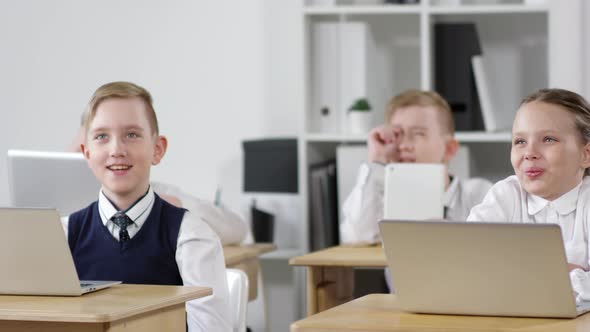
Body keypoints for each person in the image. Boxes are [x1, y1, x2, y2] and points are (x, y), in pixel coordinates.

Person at [63, 81, 231, 331]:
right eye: (101, 136)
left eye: (132, 134)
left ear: (157, 149)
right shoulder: (63, 235)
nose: (116, 149)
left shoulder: (192, 237)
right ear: (86, 154)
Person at [467, 88, 590, 302]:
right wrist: (563, 272)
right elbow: (466, 261)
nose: (529, 152)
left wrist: (517, 272)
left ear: (585, 155)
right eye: (520, 141)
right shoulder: (505, 195)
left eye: (549, 139)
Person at [69, 112, 248, 246]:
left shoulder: (153, 194)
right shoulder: (67, 209)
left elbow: (236, 229)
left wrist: (176, 206)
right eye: (100, 138)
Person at [341, 89, 492, 244]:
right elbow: (356, 237)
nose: (404, 145)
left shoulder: (479, 195)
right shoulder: (380, 200)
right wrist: (377, 160)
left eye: (418, 134)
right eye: (397, 135)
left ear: (449, 149)